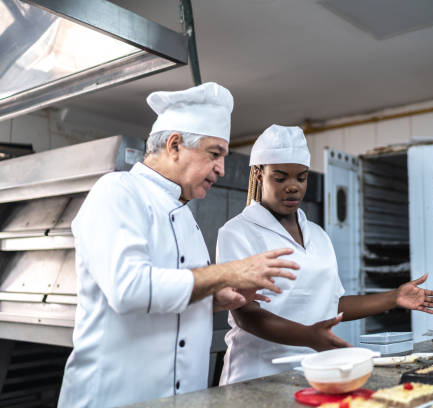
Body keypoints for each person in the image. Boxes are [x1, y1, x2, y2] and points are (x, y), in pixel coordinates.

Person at [58, 84, 299, 408]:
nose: (222, 170)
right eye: (214, 154)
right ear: (174, 146)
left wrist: (216, 298)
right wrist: (228, 272)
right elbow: (129, 289)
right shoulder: (117, 191)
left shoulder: (186, 217)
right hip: (113, 397)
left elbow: (170, 294)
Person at [216, 124, 433, 385]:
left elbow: (332, 304)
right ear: (258, 175)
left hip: (315, 370)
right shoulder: (238, 232)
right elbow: (245, 313)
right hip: (256, 375)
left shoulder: (318, 235)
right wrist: (309, 336)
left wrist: (394, 297)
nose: (292, 187)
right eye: (280, 178)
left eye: (301, 178)